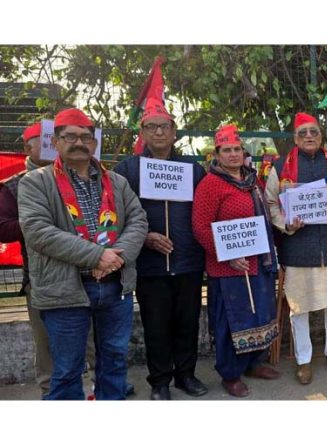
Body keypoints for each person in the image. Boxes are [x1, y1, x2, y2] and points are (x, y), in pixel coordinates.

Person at [17, 108, 148, 400]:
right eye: (71, 136)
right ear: (57, 141)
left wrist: (117, 257)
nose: (79, 143)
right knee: (66, 370)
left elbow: (138, 221)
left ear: (94, 142)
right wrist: (96, 256)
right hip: (65, 291)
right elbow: (38, 232)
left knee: (114, 363)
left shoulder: (116, 182)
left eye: (86, 137)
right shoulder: (35, 182)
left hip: (115, 288)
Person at [114, 101, 207, 400]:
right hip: (150, 264)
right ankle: (160, 382)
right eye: (151, 127)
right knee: (155, 325)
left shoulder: (193, 169)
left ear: (174, 132)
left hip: (188, 260)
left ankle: (186, 376)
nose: (158, 132)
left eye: (164, 126)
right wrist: (144, 237)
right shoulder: (126, 170)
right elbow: (114, 215)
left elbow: (206, 212)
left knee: (188, 322)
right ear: (141, 132)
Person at [264, 112, 327, 385]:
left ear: (321, 135)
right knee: (299, 307)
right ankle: (304, 360)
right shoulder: (281, 167)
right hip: (298, 246)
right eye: (303, 133)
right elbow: (270, 203)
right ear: (295, 138)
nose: (309, 137)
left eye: (313, 132)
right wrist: (286, 224)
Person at [192, 125, 280, 397]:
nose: (232, 154)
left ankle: (255, 363)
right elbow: (200, 227)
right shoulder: (210, 184)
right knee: (231, 321)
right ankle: (230, 373)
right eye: (226, 150)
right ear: (216, 154)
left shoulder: (253, 181)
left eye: (236, 149)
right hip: (229, 268)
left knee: (259, 314)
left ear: (244, 152)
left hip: (258, 263)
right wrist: (228, 256)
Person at [0, 122, 52, 396]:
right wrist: (37, 223)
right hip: (40, 277)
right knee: (45, 343)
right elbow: (3, 228)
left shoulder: (81, 179)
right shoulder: (14, 186)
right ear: (27, 147)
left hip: (86, 273)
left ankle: (95, 386)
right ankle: (49, 391)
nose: (52, 144)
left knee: (91, 339)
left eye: (57, 138)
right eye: (44, 139)